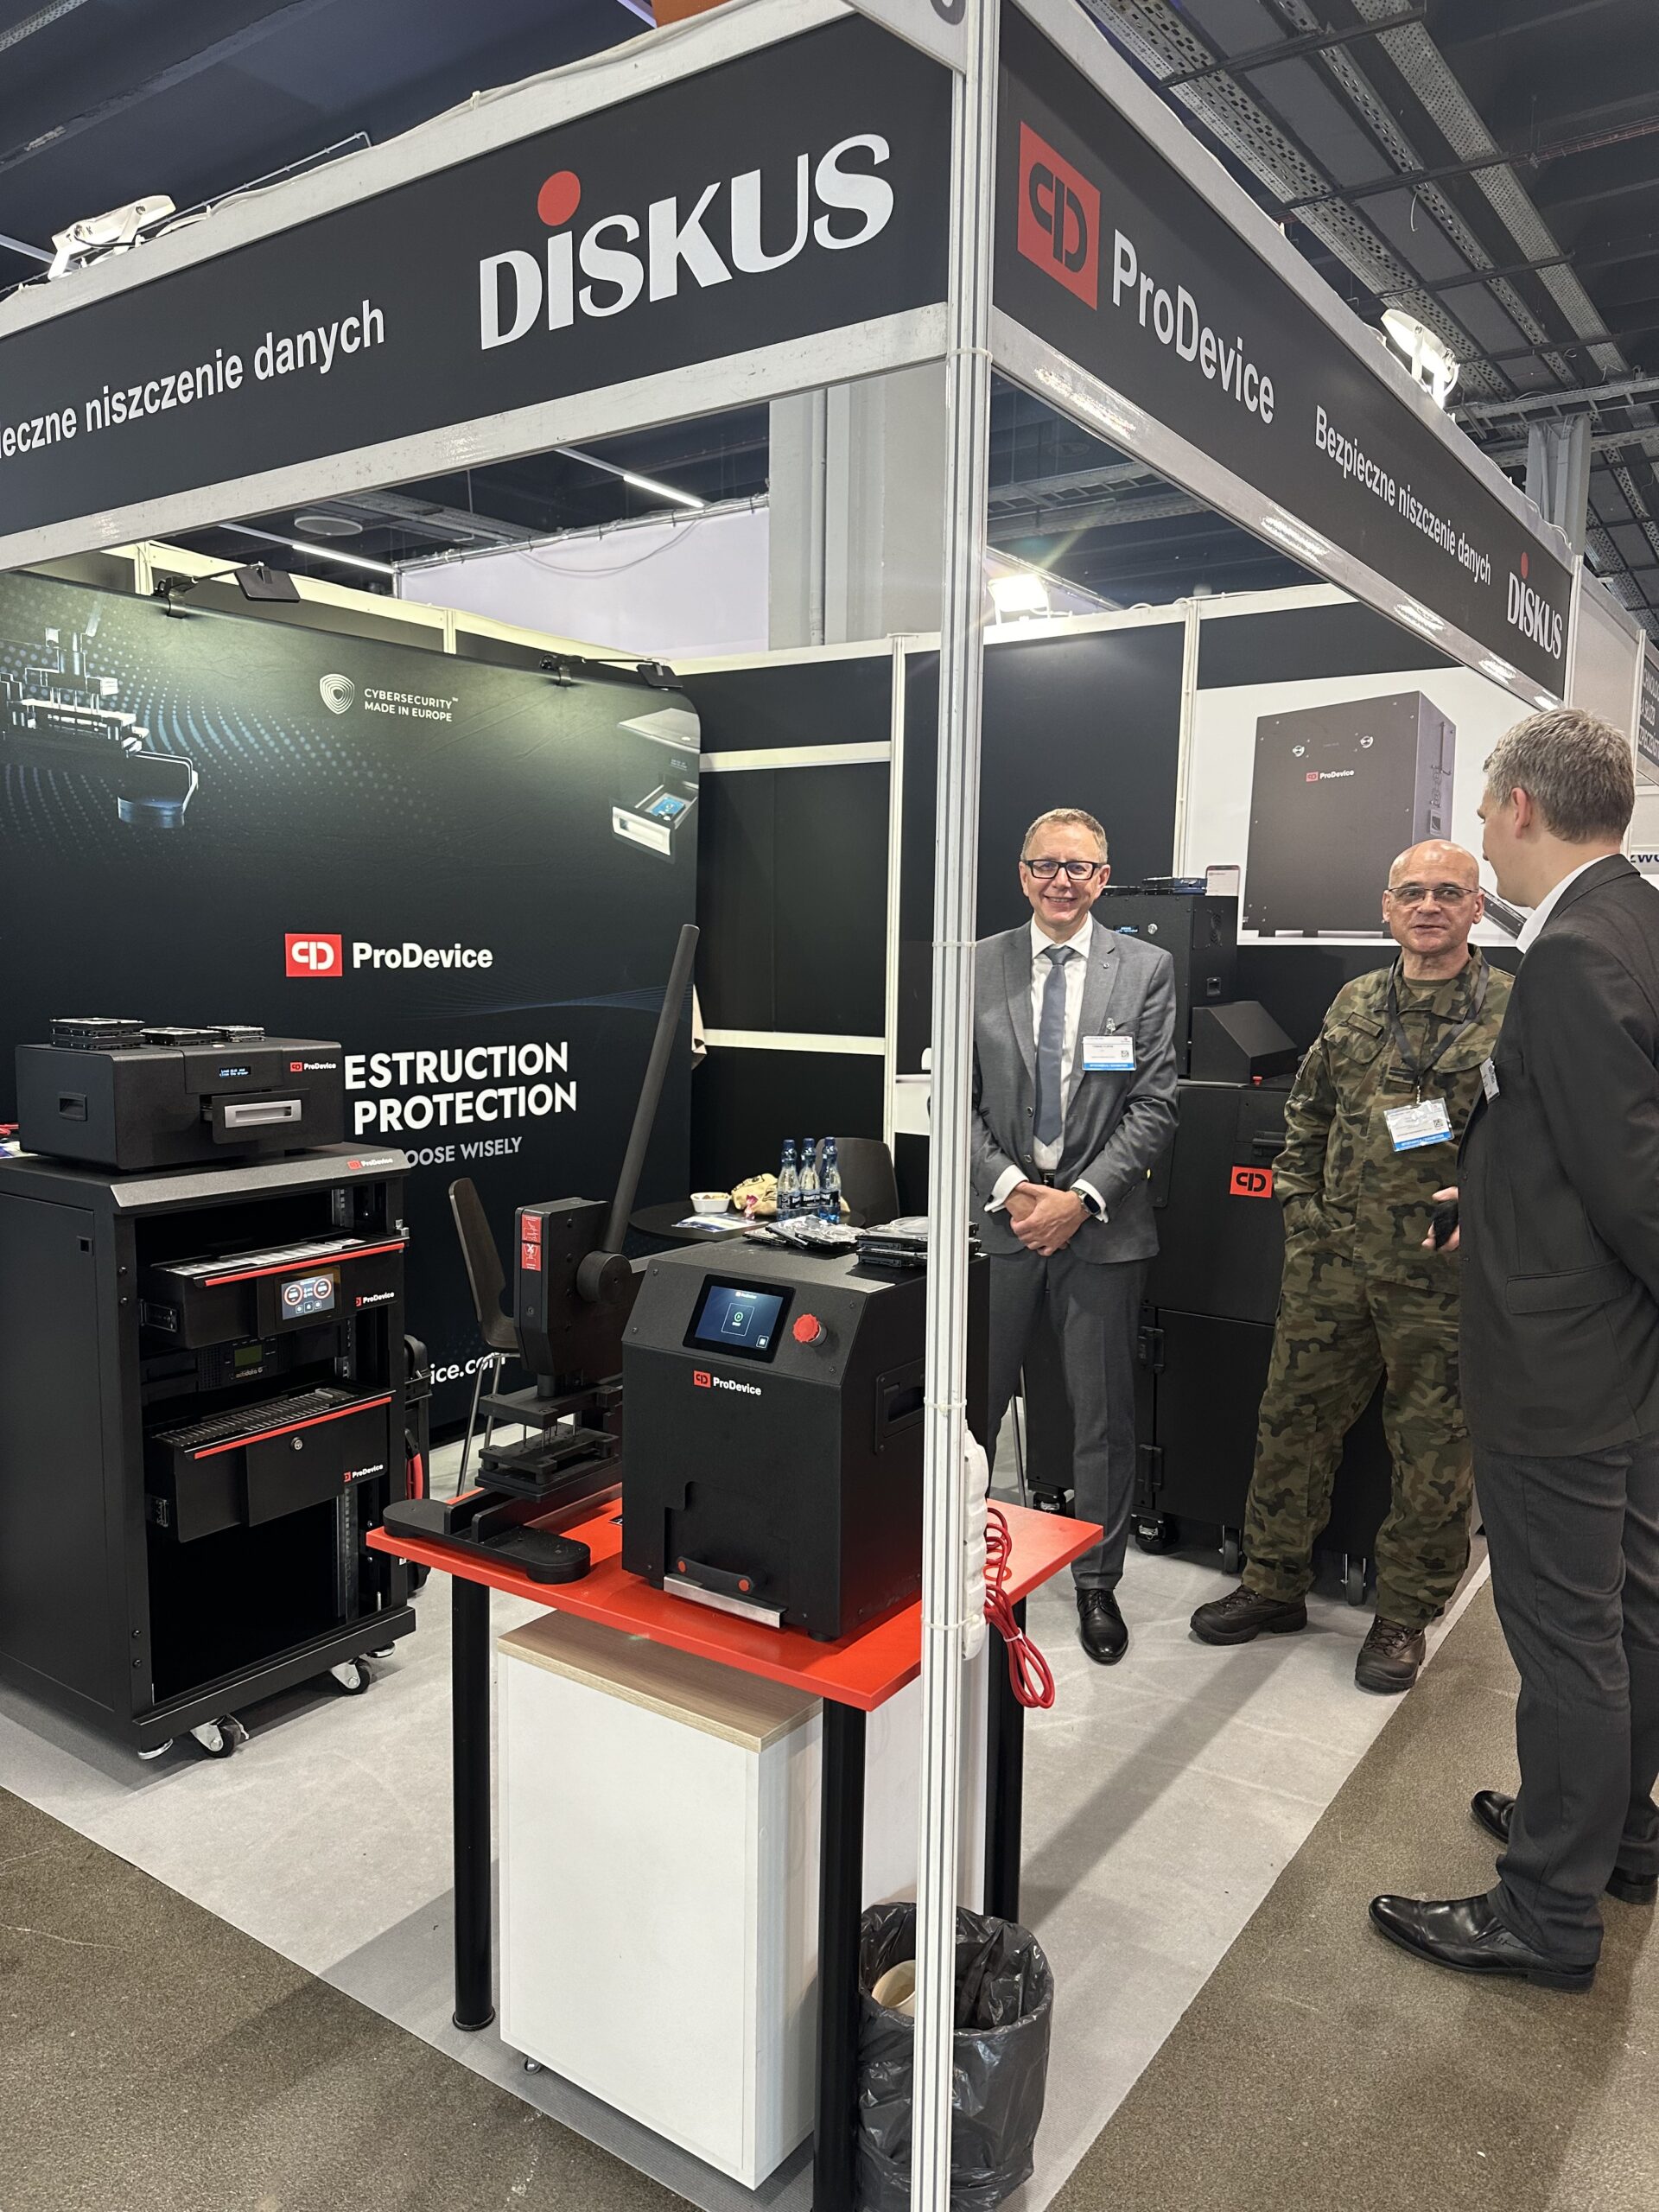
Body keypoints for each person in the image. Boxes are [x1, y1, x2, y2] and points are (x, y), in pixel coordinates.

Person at [1371, 709, 1659, 1991]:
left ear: (1525, 806)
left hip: (1565, 1365)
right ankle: (1612, 1834)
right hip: (1621, 1351)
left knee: (1566, 1635)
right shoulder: (1637, 921)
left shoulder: (1576, 952)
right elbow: (1585, 1141)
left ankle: (1546, 1912)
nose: (1483, 831)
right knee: (1631, 1611)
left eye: (1487, 806)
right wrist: (1479, 1198)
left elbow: (1632, 1183)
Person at [1190, 842, 1510, 1693]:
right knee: (1291, 1424)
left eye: (1450, 892)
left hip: (1442, 1278)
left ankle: (1404, 1613)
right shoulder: (1357, 1000)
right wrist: (1302, 1213)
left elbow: (1535, 1144)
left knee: (1433, 1448)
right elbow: (1309, 1116)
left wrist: (1485, 1215)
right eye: (1414, 892)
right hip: (1331, 1264)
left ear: (1478, 908)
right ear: (1387, 906)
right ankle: (1272, 1583)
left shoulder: (1513, 1010)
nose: (1430, 905)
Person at [971, 806, 1178, 1663]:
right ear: (1023, 874)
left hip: (1101, 1231)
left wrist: (1080, 1199)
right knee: (972, 1411)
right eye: (1046, 865)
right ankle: (959, 1566)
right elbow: (957, 1104)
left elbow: (1155, 1104)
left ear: (1104, 878)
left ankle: (1096, 1582)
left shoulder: (1146, 969)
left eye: (1079, 867)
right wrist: (1016, 1190)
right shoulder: (974, 964)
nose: (1062, 880)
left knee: (1102, 1421)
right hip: (1004, 1226)